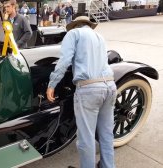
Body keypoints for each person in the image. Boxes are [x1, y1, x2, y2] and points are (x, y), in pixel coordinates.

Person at [46, 16, 117, 168]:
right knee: (106, 134)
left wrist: (52, 84)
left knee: (86, 138)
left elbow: (64, 60)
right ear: (89, 25)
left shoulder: (73, 34)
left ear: (75, 26)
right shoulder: (100, 37)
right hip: (110, 86)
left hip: (89, 89)